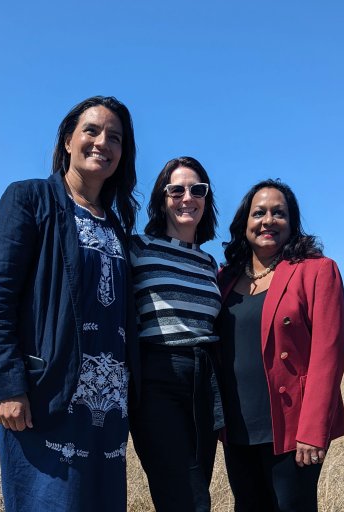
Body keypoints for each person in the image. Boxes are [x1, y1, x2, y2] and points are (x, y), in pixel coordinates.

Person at [0, 96, 140, 512]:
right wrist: (7, 386)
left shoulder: (117, 226)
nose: (103, 142)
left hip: (106, 409)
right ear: (68, 140)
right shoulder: (29, 200)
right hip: (45, 399)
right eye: (92, 130)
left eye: (115, 137)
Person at [217, 179, 344, 512]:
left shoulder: (317, 271)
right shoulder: (224, 277)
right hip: (238, 426)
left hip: (292, 429)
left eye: (279, 213)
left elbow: (327, 357)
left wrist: (313, 431)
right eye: (258, 213)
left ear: (292, 223)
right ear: (244, 222)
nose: (268, 221)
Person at [129, 156, 224, 512]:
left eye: (197, 189)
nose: (188, 197)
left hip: (204, 379)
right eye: (177, 189)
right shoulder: (138, 247)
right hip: (158, 375)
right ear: (162, 197)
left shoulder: (208, 263)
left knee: (199, 485)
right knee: (186, 498)